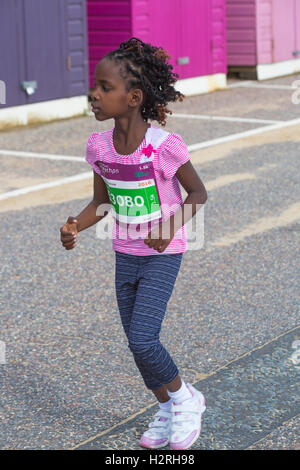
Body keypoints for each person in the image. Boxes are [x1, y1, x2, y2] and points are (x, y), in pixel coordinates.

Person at [60, 37, 208, 450]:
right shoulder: (99, 147)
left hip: (163, 254)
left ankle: (186, 401)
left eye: (105, 87)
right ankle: (165, 408)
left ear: (133, 97)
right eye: (96, 85)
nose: (94, 93)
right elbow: (102, 201)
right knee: (136, 344)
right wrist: (75, 225)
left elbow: (198, 194)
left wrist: (170, 226)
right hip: (124, 254)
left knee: (144, 338)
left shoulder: (163, 147)